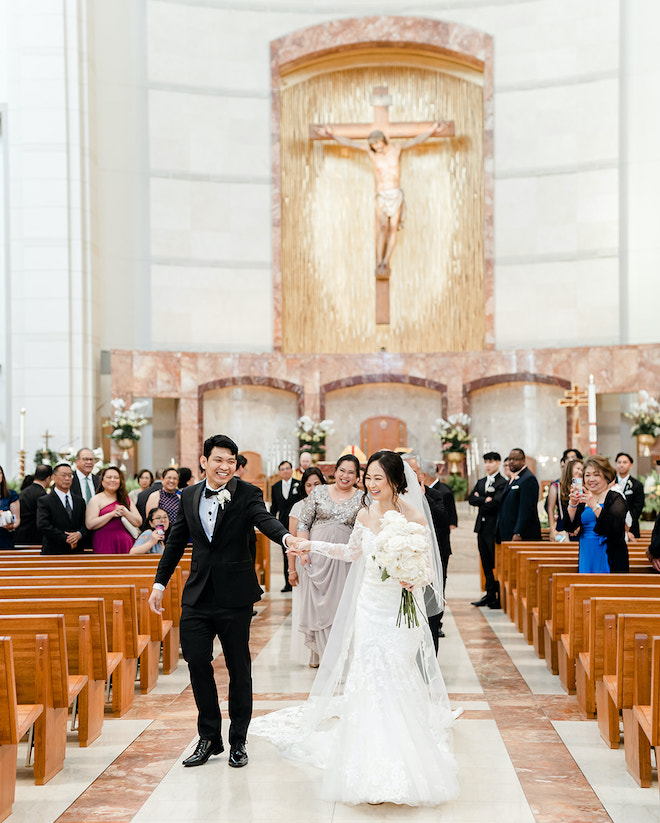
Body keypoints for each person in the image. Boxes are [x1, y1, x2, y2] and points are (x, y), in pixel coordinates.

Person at [251, 451, 460, 806]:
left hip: (397, 608)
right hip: (369, 606)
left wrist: (412, 578)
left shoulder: (412, 515)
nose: (371, 484)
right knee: (368, 673)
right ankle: (367, 752)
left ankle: (403, 747)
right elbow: (350, 553)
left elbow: (426, 571)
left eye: (379, 478)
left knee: (397, 670)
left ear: (395, 480)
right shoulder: (364, 512)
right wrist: (310, 544)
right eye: (369, 477)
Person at [148, 434, 302, 770]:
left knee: (238, 668)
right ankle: (209, 737)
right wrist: (159, 584)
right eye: (219, 460)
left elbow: (265, 520)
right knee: (197, 662)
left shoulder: (247, 494)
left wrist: (287, 538)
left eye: (231, 461)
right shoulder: (189, 495)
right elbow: (175, 544)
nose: (225, 466)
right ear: (204, 461)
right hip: (198, 594)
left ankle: (238, 740)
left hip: (235, 596)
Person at [323, 122, 439, 276]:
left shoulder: (396, 149)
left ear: (383, 140)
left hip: (395, 193)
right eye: (373, 145)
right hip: (381, 195)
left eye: (377, 144)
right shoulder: (372, 153)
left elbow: (416, 140)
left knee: (392, 228)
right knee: (383, 226)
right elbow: (350, 143)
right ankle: (379, 260)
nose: (376, 147)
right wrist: (332, 135)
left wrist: (431, 130)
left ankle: (386, 261)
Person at [296, 454, 362, 664]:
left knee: (339, 606)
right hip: (316, 559)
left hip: (344, 560)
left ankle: (337, 658)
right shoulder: (319, 491)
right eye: (342, 470)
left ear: (357, 476)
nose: (345, 476)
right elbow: (303, 524)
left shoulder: (362, 498)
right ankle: (321, 654)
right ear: (335, 470)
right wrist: (303, 552)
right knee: (317, 605)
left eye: (351, 472)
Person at [402, 454, 449, 648]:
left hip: (433, 558)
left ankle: (431, 653)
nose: (410, 476)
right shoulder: (394, 499)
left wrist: (422, 497)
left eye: (414, 472)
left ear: (421, 475)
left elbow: (444, 521)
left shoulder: (435, 494)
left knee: (431, 611)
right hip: (404, 562)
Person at [563, 455, 629, 573]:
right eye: (587, 475)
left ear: (606, 476)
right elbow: (570, 527)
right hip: (587, 550)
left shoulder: (615, 498)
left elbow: (615, 528)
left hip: (608, 552)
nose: (591, 479)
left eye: (596, 475)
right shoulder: (584, 499)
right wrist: (573, 504)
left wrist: (594, 505)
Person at [287, 467, 326, 665]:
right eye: (308, 485)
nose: (312, 488)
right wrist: (291, 569)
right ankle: (314, 652)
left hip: (327, 562)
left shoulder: (330, 503)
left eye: (317, 484)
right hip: (305, 562)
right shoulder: (297, 507)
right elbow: (292, 542)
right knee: (308, 607)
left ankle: (327, 649)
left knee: (325, 606)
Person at [468, 451, 508, 608]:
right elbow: (471, 498)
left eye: (491, 462)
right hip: (481, 527)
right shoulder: (481, 481)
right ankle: (489, 593)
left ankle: (497, 595)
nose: (488, 465)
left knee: (494, 561)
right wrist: (485, 499)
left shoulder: (502, 482)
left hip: (494, 528)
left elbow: (496, 503)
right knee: (484, 560)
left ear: (498, 463)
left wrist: (481, 500)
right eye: (486, 462)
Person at [86, 466, 142, 554]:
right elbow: (90, 524)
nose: (112, 480)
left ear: (120, 481)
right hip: (104, 542)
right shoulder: (96, 499)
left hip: (125, 542)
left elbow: (138, 522)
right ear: (102, 480)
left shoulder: (125, 499)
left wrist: (125, 512)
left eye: (116, 478)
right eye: (109, 477)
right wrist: (111, 514)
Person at [36, 463, 87, 554]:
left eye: (70, 475)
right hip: (53, 550)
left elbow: (85, 524)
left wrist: (79, 535)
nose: (67, 478)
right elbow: (43, 525)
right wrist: (66, 538)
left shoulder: (79, 501)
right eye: (63, 475)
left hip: (77, 551)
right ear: (53, 477)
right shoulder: (45, 500)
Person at [496, 448, 541, 543]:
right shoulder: (515, 478)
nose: (511, 462)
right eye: (509, 459)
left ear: (524, 461)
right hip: (508, 532)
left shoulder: (528, 479)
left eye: (515, 459)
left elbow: (527, 509)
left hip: (522, 535)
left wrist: (518, 532)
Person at [270, 460, 301, 592]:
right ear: (279, 472)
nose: (285, 471)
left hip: (297, 524)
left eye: (288, 468)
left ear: (292, 470)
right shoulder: (275, 487)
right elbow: (274, 507)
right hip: (283, 525)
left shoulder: (298, 485)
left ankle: (298, 580)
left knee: (298, 552)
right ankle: (287, 583)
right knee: (286, 553)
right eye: (282, 469)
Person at [13, 464, 52, 546]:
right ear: (48, 478)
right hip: (35, 538)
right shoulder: (42, 495)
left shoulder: (23, 492)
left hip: (19, 536)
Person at [547, 458, 583, 542]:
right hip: (562, 525)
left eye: (582, 470)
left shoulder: (584, 487)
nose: (580, 472)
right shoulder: (557, 486)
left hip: (580, 528)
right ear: (569, 469)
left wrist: (579, 526)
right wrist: (552, 530)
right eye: (577, 469)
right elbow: (550, 509)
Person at [615, 452, 645, 538]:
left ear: (631, 465)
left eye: (624, 462)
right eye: (619, 462)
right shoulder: (610, 483)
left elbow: (638, 507)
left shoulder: (637, 485)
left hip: (632, 528)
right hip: (613, 528)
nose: (621, 465)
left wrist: (627, 525)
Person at [0, 464, 20, 549]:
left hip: (5, 538)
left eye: (0, 473)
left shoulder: (11, 495)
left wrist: (12, 525)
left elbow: (17, 520)